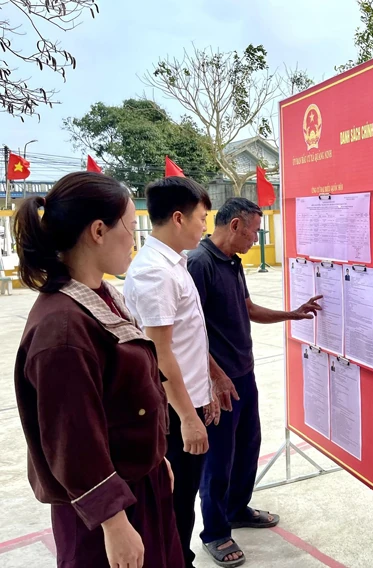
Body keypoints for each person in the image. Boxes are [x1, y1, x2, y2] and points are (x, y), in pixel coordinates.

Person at [13, 172, 183, 567]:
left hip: (138, 485)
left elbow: (126, 399)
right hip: (103, 513)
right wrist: (114, 522)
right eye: (130, 226)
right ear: (98, 231)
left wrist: (155, 456)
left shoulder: (100, 296)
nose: (134, 239)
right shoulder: (62, 329)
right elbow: (73, 440)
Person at [187, 198, 322, 567]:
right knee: (218, 459)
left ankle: (236, 508)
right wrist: (215, 376)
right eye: (253, 231)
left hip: (244, 374)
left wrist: (293, 313)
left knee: (248, 446)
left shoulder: (232, 262)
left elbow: (248, 309)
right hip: (217, 381)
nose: (256, 238)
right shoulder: (199, 264)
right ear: (234, 225)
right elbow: (190, 330)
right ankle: (215, 532)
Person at [124, 176, 219, 568]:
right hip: (172, 414)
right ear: (178, 218)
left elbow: (186, 340)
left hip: (187, 403)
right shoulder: (155, 273)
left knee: (183, 501)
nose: (205, 227)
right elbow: (160, 353)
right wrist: (188, 418)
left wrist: (208, 387)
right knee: (173, 506)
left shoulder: (174, 264)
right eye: (202, 218)